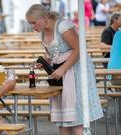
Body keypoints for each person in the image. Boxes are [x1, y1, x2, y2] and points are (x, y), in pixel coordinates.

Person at [25, 4, 103, 135]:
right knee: (64, 120)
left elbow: (79, 48)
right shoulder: (43, 32)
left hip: (76, 70)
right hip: (61, 72)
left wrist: (63, 69)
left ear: (44, 18)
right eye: (30, 23)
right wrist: (46, 62)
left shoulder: (62, 26)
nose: (32, 26)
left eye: (34, 23)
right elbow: (52, 54)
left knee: (77, 117)